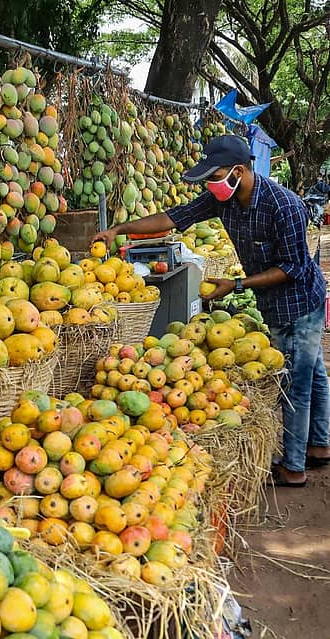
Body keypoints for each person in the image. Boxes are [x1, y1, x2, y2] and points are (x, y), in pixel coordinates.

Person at [92, 134, 330, 487]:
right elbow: (174, 217)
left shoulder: (285, 206)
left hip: (300, 303)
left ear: (238, 171)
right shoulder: (226, 200)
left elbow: (293, 267)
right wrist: (119, 230)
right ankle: (321, 447)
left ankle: (294, 467)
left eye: (213, 177)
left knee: (295, 381)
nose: (209, 185)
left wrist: (236, 285)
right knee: (314, 373)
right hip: (271, 302)